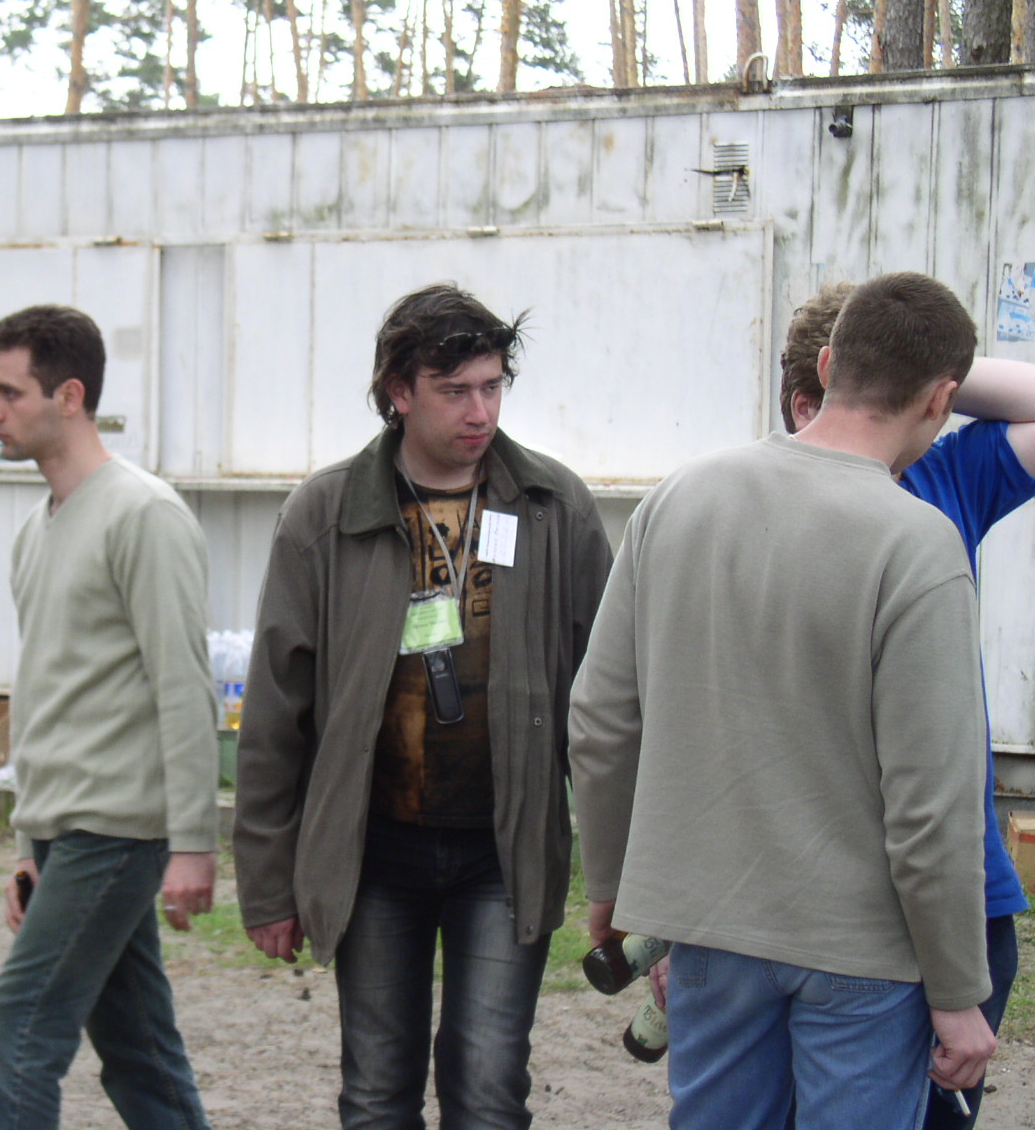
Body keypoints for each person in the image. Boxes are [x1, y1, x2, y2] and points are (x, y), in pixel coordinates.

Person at [569, 271, 999, 1130]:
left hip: (708, 930)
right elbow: (931, 805)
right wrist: (958, 994)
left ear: (828, 364)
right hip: (862, 951)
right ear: (941, 401)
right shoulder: (919, 544)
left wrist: (613, 886)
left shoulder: (678, 499)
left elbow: (601, 720)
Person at [233, 283, 613, 1129]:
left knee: (488, 1089)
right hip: (373, 852)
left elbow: (611, 698)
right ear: (399, 391)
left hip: (502, 852)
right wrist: (267, 884)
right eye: (454, 391)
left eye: (492, 386)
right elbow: (275, 715)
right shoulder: (326, 513)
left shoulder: (553, 507)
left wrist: (627, 869)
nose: (480, 412)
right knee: (376, 1093)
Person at [778, 281, 1035, 1129]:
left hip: (962, 892)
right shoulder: (757, 501)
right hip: (820, 899)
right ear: (806, 401)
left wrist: (935, 370)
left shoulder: (940, 475)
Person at [0, 305, 219, 1130]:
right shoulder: (34, 532)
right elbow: (44, 692)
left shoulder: (144, 515)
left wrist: (193, 843)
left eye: (10, 392)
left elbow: (184, 685)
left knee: (16, 1029)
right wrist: (25, 843)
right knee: (138, 1045)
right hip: (62, 828)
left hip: (115, 831)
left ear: (69, 396)